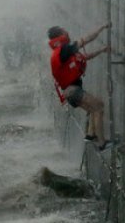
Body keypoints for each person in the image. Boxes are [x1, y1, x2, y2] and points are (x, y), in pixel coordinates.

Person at [47, 23, 112, 151]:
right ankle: (102, 143)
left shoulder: (61, 53)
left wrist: (102, 50)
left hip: (70, 93)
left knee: (95, 108)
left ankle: (90, 135)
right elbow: (86, 39)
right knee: (98, 106)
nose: (67, 32)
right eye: (64, 31)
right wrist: (102, 26)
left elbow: (85, 57)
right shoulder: (64, 50)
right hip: (73, 91)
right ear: (59, 35)